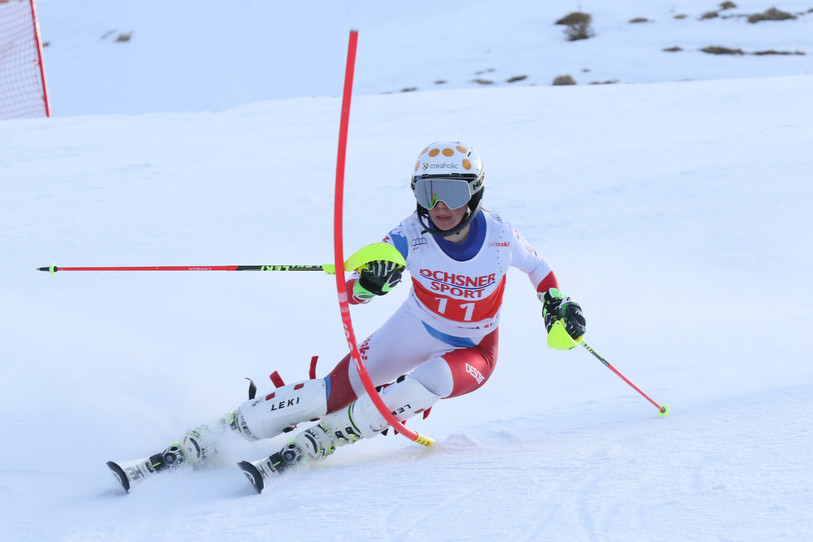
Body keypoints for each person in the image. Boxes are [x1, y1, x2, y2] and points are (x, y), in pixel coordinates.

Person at [109, 140, 586, 491]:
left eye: (452, 192)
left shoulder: (500, 235)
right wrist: (372, 281)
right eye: (427, 192)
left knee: (423, 382)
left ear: (475, 194)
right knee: (330, 393)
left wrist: (556, 305)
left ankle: (325, 440)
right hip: (415, 326)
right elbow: (357, 290)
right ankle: (216, 435)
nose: (439, 207)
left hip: (473, 349)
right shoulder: (409, 235)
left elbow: (539, 269)